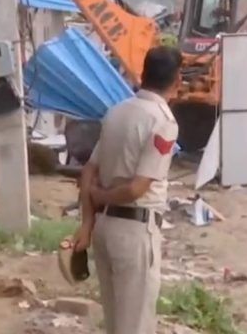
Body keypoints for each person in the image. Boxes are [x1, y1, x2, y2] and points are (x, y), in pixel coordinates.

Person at [73, 47, 182, 334]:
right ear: (177, 80)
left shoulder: (116, 112)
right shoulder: (163, 122)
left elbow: (89, 170)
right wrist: (101, 197)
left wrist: (87, 223)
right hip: (135, 232)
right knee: (135, 325)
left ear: (143, 74)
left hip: (104, 229)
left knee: (115, 323)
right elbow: (137, 188)